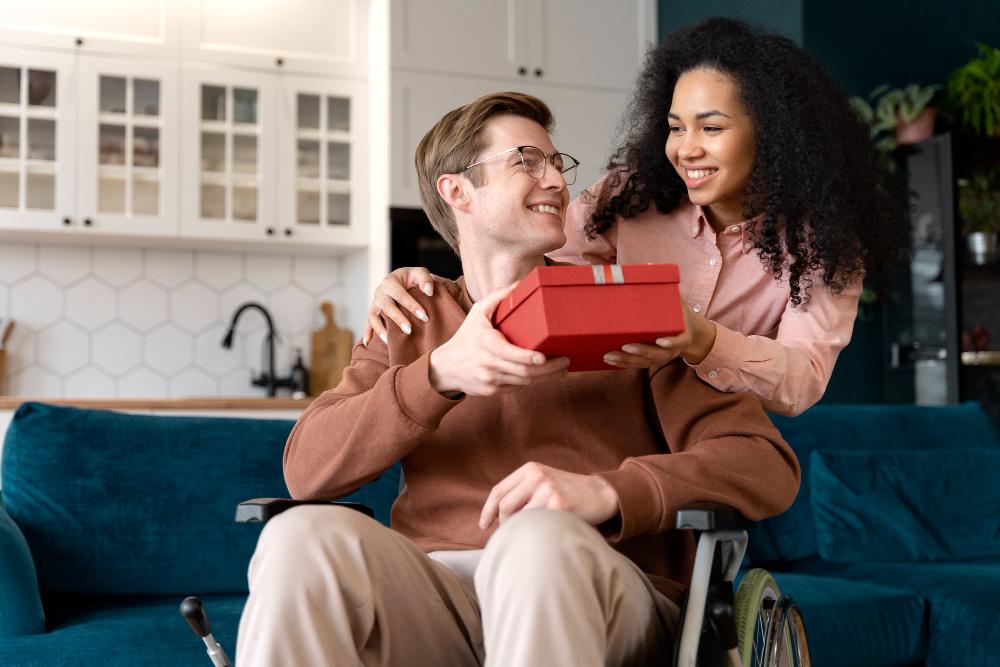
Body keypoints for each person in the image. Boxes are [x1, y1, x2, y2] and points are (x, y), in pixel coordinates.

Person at [235, 92, 800, 666]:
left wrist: (607, 491)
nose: (556, 180)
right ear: (457, 191)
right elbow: (307, 472)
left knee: (535, 539)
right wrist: (438, 374)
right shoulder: (410, 318)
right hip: (439, 597)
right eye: (528, 161)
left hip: (597, 583)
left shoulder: (628, 304)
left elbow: (763, 462)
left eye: (558, 163)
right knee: (296, 539)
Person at [363, 17, 908, 416]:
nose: (685, 150)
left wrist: (700, 338)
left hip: (717, 436)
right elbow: (526, 263)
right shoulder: (631, 197)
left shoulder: (824, 244)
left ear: (774, 135)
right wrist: (421, 282)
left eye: (711, 128)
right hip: (614, 425)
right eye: (675, 127)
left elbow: (802, 380)